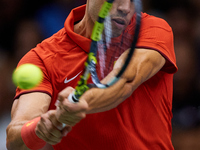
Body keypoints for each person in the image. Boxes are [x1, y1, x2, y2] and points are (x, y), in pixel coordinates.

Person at [6, 0, 178, 149]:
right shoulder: (42, 59)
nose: (125, 7)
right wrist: (40, 128)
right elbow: (15, 138)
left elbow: (125, 79)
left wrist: (79, 102)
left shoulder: (154, 29)